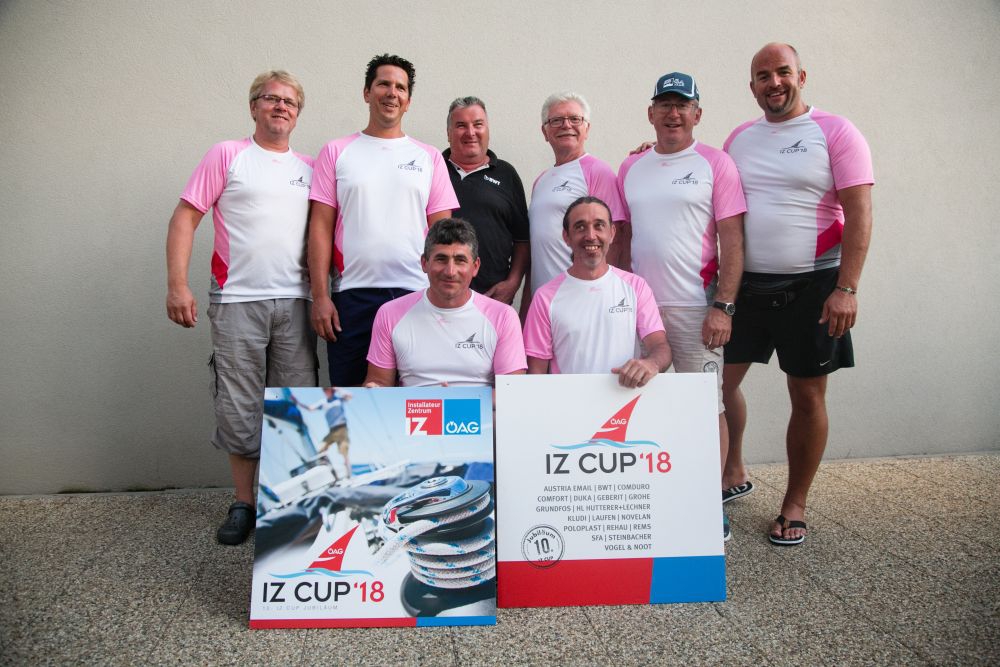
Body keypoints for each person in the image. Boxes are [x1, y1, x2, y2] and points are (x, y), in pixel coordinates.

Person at [722, 43, 874, 545]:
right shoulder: (739, 138)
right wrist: (654, 152)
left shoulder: (836, 131)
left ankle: (794, 503)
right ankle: (733, 470)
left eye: (782, 72)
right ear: (752, 87)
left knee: (806, 395)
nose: (774, 83)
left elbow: (860, 212)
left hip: (815, 286)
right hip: (746, 288)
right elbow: (710, 187)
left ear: (801, 76)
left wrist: (847, 288)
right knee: (716, 387)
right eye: (763, 76)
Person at [165, 70, 317, 545]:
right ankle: (244, 503)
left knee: (295, 405)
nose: (280, 106)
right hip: (236, 300)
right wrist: (177, 285)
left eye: (289, 101)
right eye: (270, 98)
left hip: (296, 302)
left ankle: (287, 503)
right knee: (239, 404)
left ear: (298, 113)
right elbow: (185, 217)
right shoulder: (227, 154)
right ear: (253, 107)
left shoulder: (311, 167)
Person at [617, 72, 746, 540]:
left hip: (696, 308)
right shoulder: (631, 166)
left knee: (705, 408)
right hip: (639, 309)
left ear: (697, 113)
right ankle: (651, 498)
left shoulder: (716, 163)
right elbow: (622, 237)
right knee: (636, 402)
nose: (673, 113)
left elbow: (733, 239)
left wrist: (724, 306)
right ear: (650, 113)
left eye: (682, 105)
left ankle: (709, 505)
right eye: (665, 105)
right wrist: (617, 296)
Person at [308, 54, 459, 386]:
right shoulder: (336, 151)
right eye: (383, 84)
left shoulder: (429, 157)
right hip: (352, 296)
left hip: (416, 294)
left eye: (400, 88)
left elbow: (443, 234)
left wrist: (444, 298)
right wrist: (320, 296)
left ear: (408, 101)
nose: (392, 93)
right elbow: (320, 228)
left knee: (417, 402)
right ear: (367, 92)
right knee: (353, 399)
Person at [523, 196, 671, 388]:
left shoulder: (636, 287)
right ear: (566, 237)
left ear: (612, 233)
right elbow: (536, 375)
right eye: (580, 227)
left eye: (599, 225)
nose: (591, 236)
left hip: (625, 401)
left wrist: (652, 363)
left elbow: (660, 346)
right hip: (569, 402)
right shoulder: (545, 297)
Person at [364, 218, 527, 388]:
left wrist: (450, 401)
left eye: (460, 260)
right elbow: (379, 385)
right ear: (424, 263)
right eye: (441, 259)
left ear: (475, 266)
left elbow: (511, 393)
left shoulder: (503, 317)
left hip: (480, 407)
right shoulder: (390, 314)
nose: (450, 271)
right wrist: (373, 392)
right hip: (414, 406)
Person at [522, 92, 626, 319]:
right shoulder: (541, 181)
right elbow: (537, 248)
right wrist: (527, 306)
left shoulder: (597, 171)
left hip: (585, 300)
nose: (566, 125)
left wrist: (603, 296)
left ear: (586, 128)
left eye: (574, 119)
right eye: (556, 120)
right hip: (544, 304)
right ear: (545, 132)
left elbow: (615, 239)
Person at [443, 96, 529, 305]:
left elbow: (522, 239)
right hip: (439, 296)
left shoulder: (507, 174)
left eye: (478, 124)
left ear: (487, 131)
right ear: (448, 133)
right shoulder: (433, 170)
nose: (470, 132)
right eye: (461, 125)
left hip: (492, 298)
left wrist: (513, 283)